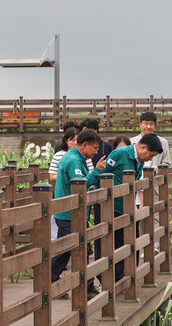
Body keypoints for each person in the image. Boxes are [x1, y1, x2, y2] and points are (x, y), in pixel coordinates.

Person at [51, 129, 106, 300]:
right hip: (70, 212)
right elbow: (80, 185)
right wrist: (97, 171)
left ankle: (51, 281)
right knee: (80, 248)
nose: (96, 152)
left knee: (67, 249)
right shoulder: (74, 160)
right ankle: (86, 286)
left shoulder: (75, 157)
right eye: (95, 148)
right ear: (85, 145)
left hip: (69, 211)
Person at [99, 133, 163, 280]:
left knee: (129, 243)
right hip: (111, 206)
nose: (151, 159)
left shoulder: (138, 159)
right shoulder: (120, 154)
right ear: (143, 147)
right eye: (151, 155)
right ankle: (113, 279)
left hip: (127, 207)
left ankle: (125, 279)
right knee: (110, 245)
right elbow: (102, 174)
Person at [130, 111, 171, 249]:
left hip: (154, 184)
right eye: (146, 123)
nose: (148, 126)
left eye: (151, 124)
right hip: (136, 184)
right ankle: (142, 246)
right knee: (140, 216)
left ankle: (155, 246)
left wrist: (156, 168)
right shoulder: (132, 142)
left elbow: (167, 164)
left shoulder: (163, 142)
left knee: (155, 215)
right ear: (140, 124)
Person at [80, 118, 113, 262]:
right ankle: (86, 252)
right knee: (83, 222)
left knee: (101, 223)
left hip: (101, 187)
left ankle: (100, 258)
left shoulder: (106, 147)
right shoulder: (79, 150)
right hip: (85, 186)